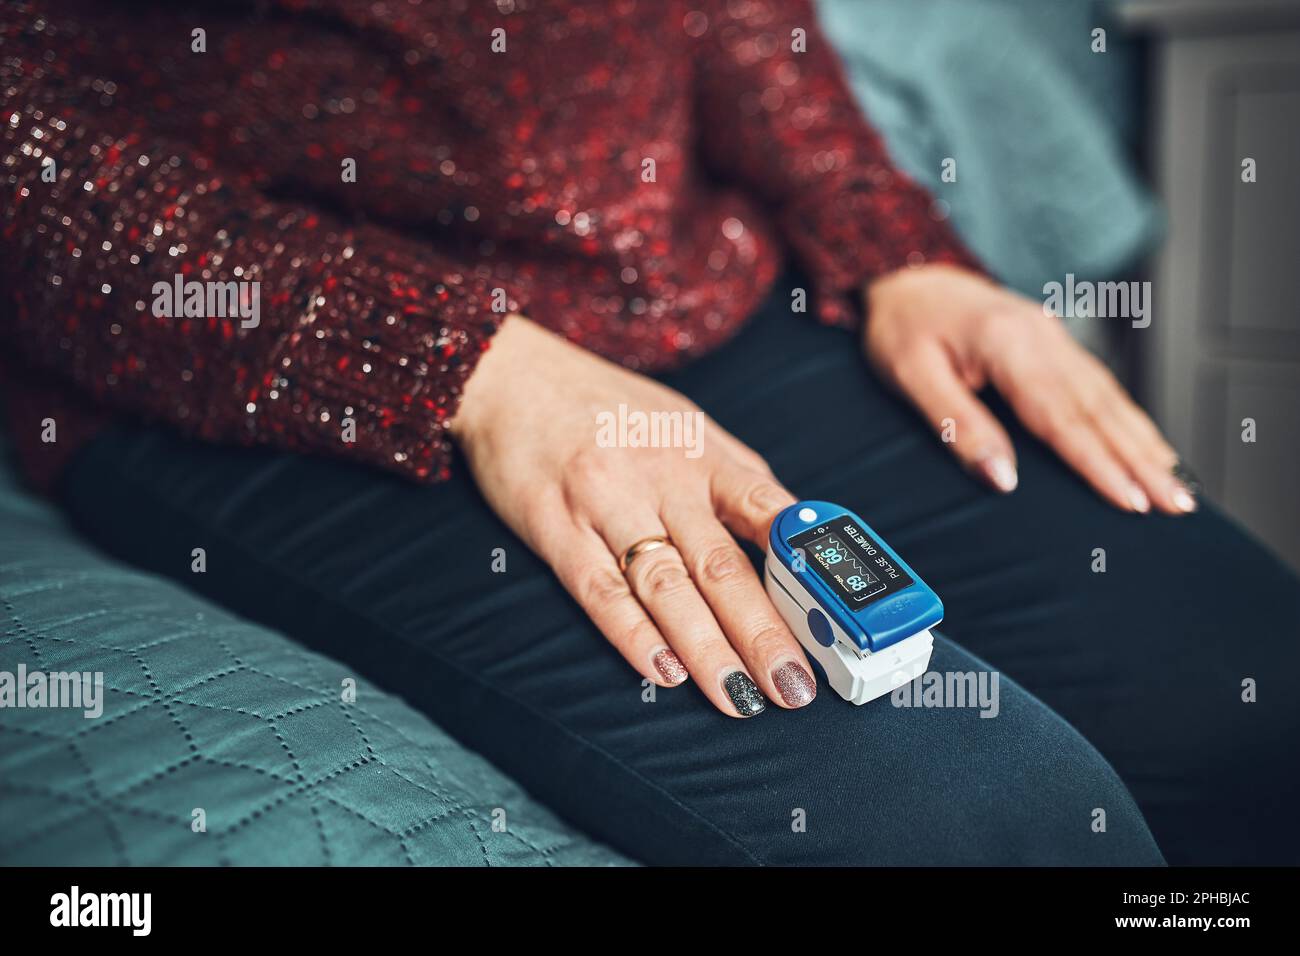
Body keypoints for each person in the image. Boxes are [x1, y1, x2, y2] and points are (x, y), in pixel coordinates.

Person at [2, 0, 1296, 865]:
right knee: (983, 816)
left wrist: (898, 248)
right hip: (274, 361)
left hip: (697, 296)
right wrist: (461, 366)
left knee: (1255, 694)